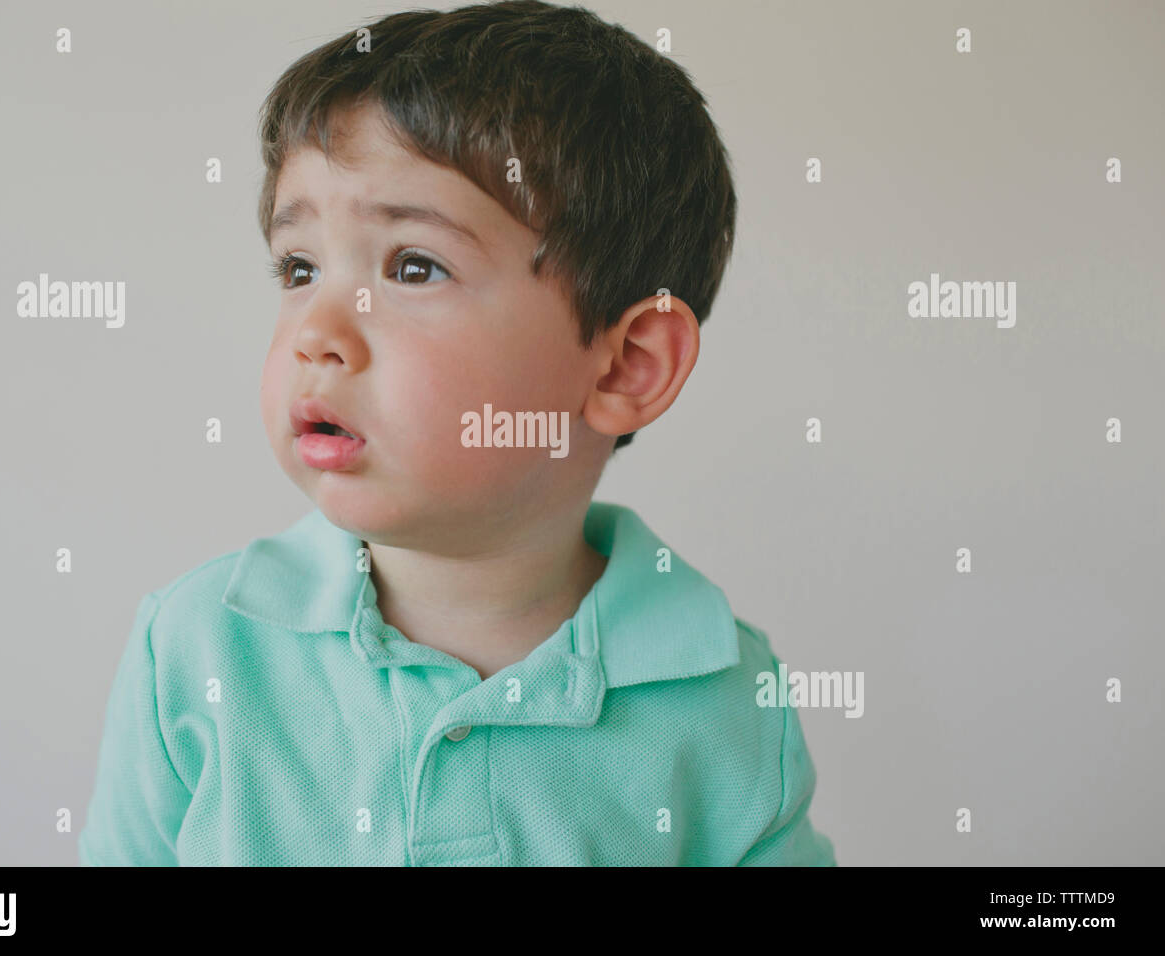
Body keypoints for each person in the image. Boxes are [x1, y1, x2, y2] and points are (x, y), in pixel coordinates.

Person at [79, 0, 835, 866]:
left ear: (627, 365)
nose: (315, 331)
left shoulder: (724, 695)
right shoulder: (195, 650)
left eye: (412, 266)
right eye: (300, 268)